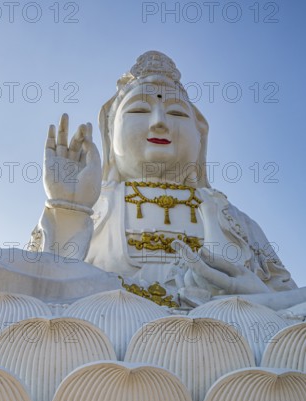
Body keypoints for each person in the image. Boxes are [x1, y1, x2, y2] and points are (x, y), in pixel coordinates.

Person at [30, 51, 305, 309]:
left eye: (177, 113)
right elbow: (42, 293)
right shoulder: (94, 204)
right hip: (105, 327)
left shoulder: (235, 220)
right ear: (110, 134)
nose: (159, 122)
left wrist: (256, 297)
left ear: (200, 136)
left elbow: (290, 303)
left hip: (224, 333)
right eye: (139, 111)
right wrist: (67, 209)